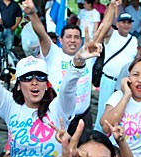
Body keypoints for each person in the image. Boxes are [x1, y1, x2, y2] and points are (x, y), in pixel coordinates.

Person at [0, 37, 100, 157]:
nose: (34, 82)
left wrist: (78, 62)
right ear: (19, 85)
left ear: (47, 83)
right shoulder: (9, 105)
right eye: (27, 77)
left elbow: (68, 89)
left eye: (40, 76)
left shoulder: (58, 108)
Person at [22, 0, 114, 133]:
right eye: (69, 37)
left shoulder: (88, 53)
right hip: (57, 117)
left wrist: (112, 6)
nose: (72, 40)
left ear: (81, 40)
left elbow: (103, 28)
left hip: (83, 117)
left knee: (83, 152)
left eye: (76, 37)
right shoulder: (53, 52)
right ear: (60, 40)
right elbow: (42, 35)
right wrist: (32, 14)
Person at [95, 11, 138, 131]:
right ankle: (98, 136)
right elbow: (105, 25)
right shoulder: (111, 34)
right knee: (103, 111)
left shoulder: (134, 40)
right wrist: (112, 7)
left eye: (129, 22)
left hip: (124, 84)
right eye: (123, 22)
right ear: (117, 24)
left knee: (120, 111)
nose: (126, 25)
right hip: (109, 80)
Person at [0, 0, 22, 71]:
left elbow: (19, 16)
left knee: (8, 48)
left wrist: (15, 26)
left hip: (10, 29)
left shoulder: (15, 4)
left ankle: (8, 66)